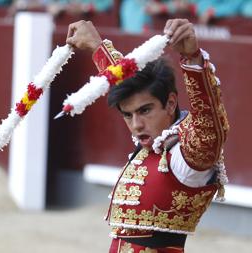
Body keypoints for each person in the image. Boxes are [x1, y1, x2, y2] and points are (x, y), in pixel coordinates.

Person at [66, 19, 229, 252]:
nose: (136, 124)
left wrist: (192, 59)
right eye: (128, 115)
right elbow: (131, 88)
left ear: (171, 102)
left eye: (145, 111)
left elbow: (208, 122)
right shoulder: (156, 142)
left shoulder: (188, 155)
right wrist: (96, 45)